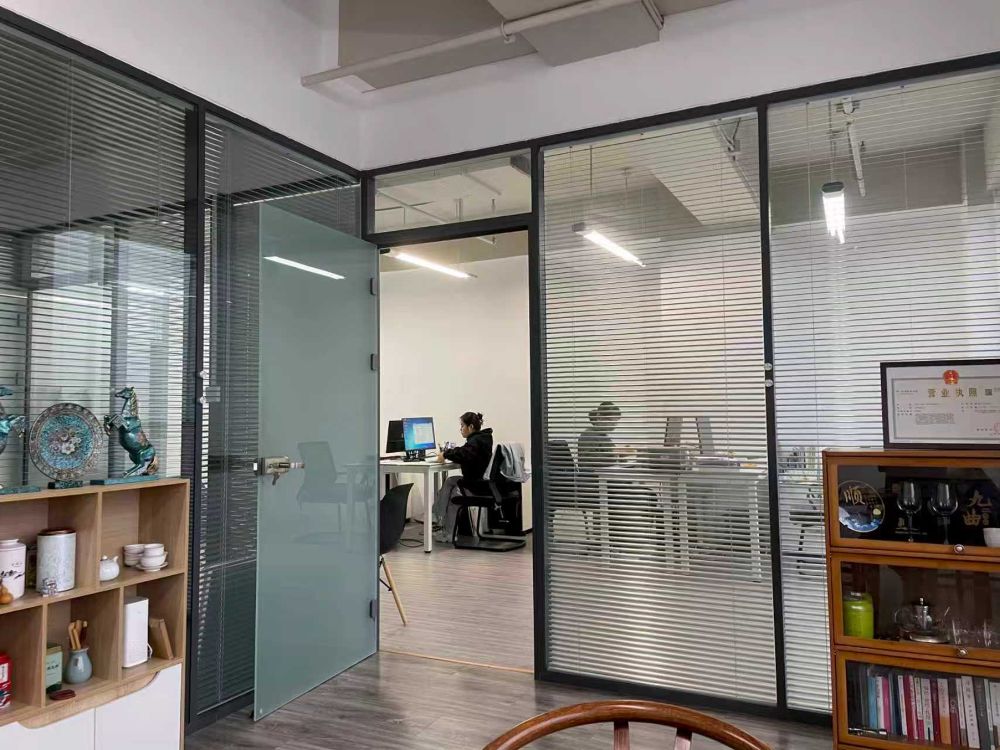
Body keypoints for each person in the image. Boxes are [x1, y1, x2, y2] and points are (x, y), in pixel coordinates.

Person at [432, 411, 493, 543]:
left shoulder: (475, 441)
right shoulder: (482, 439)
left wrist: (445, 454)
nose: (460, 429)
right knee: (450, 481)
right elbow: (465, 452)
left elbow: (463, 453)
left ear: (470, 427)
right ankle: (437, 516)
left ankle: (446, 531)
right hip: (480, 483)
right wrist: (449, 453)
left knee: (455, 495)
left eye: (462, 426)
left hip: (475, 486)